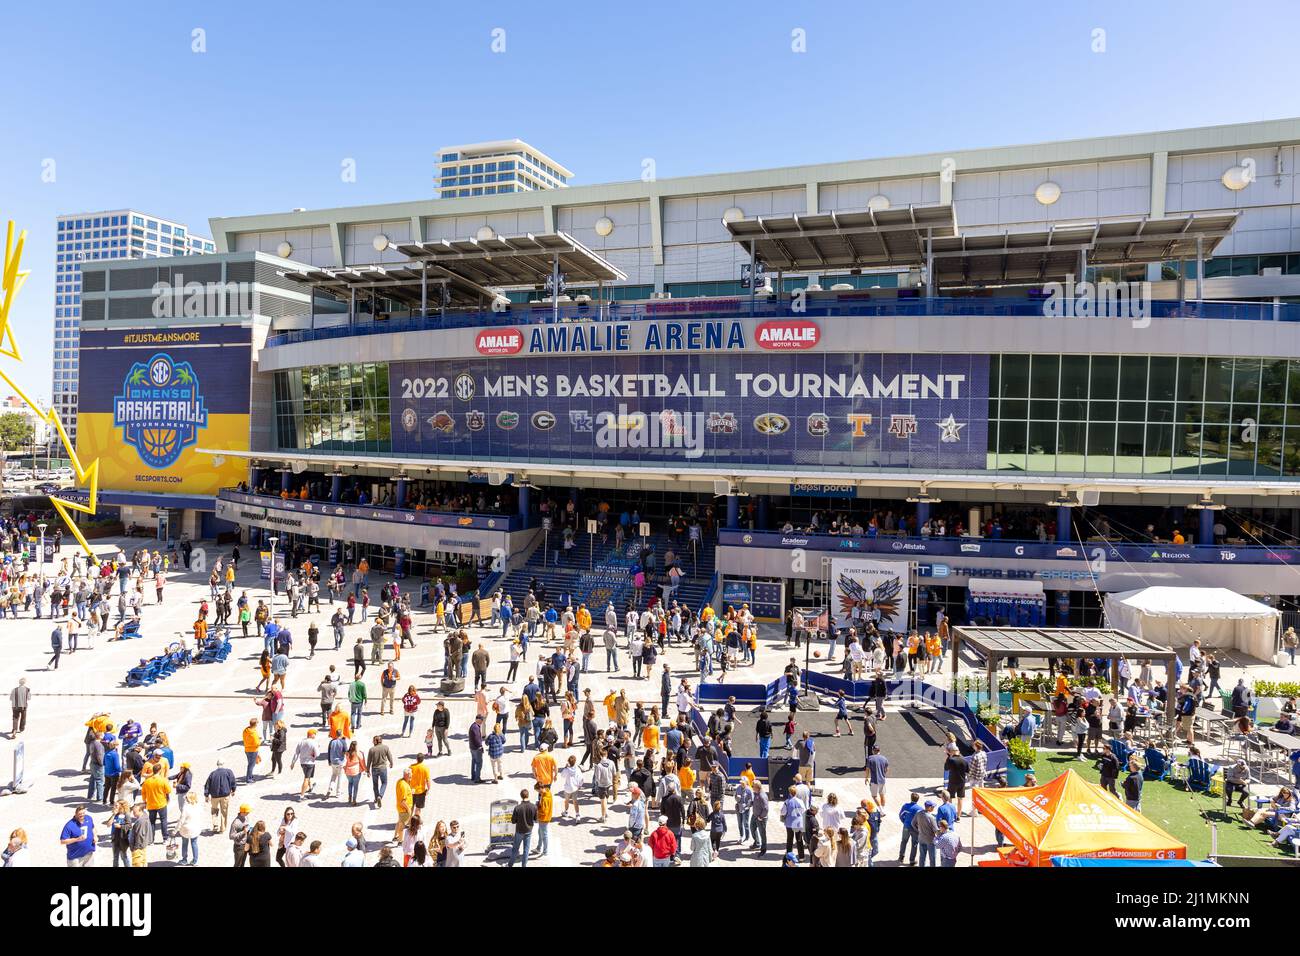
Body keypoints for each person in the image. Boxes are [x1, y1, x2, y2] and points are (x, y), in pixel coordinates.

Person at [509, 789, 537, 867]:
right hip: (528, 831)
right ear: (528, 795)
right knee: (526, 850)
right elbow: (536, 819)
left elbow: (513, 821)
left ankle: (510, 864)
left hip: (519, 831)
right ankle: (524, 865)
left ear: (521, 796)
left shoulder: (517, 808)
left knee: (515, 849)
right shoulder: (533, 807)